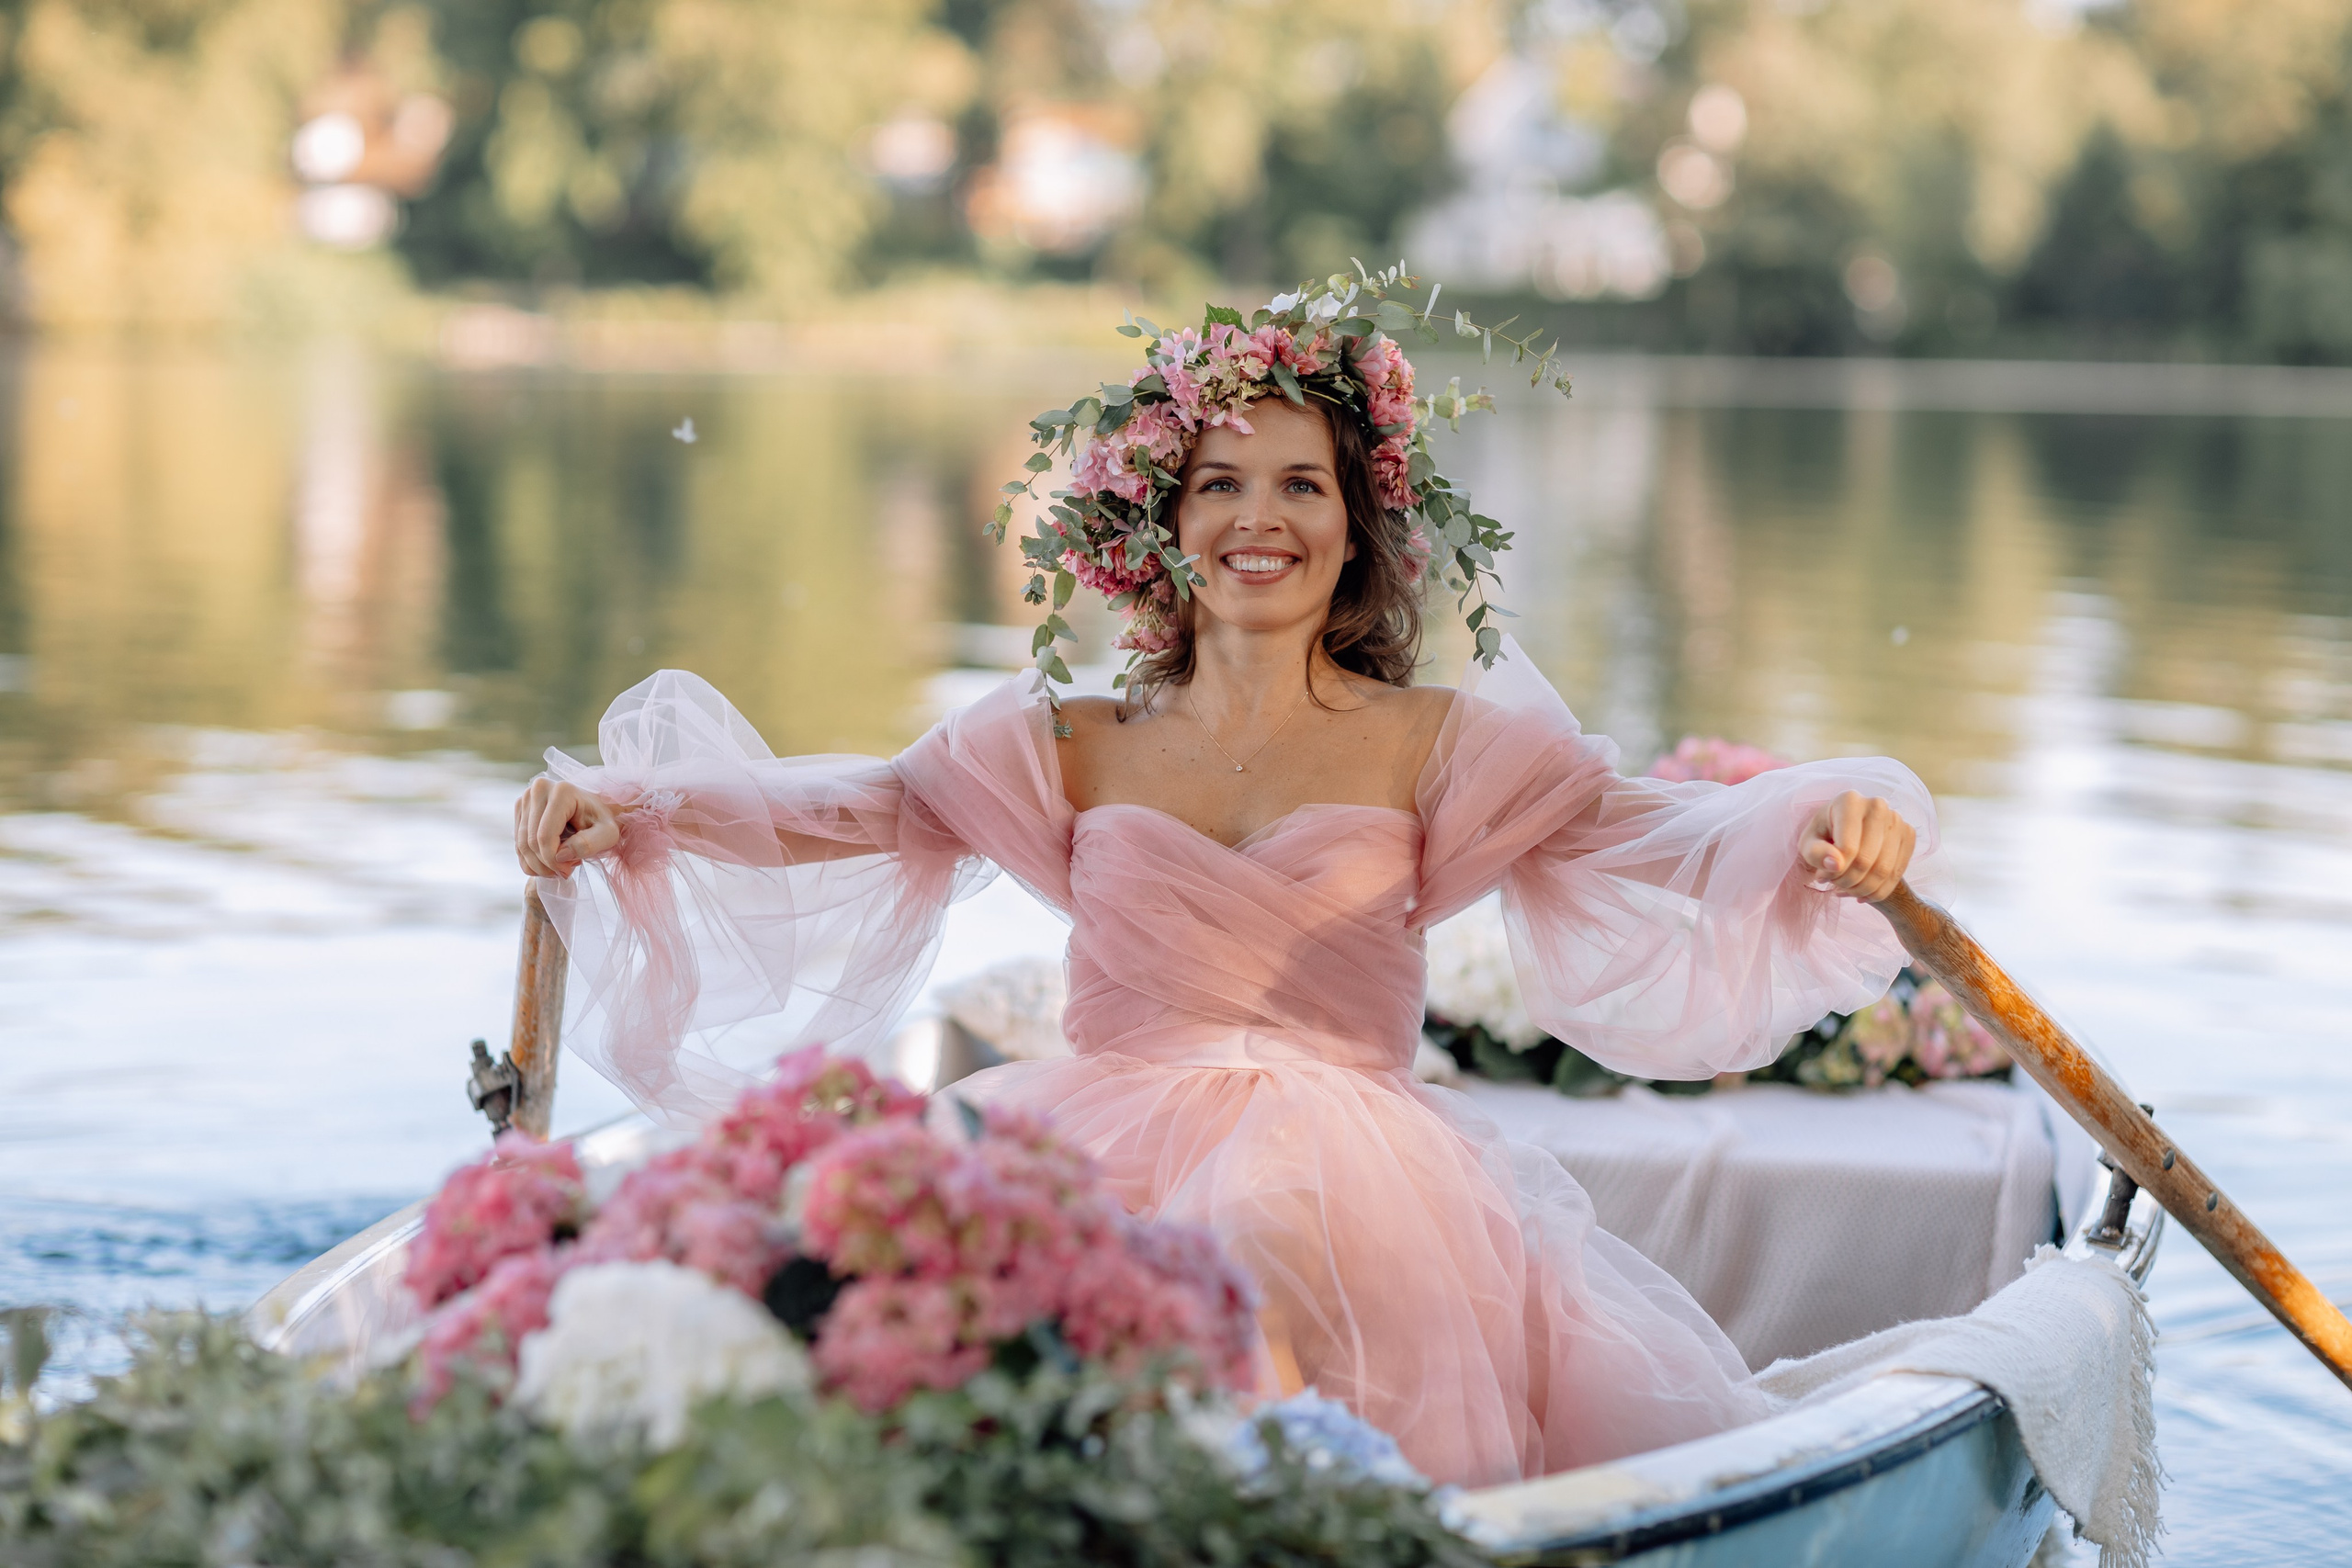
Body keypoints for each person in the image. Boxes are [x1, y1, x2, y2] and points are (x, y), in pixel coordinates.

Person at [511, 280, 1933, 1489]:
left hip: (1356, 1165)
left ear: (1357, 524)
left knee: (1254, 1246)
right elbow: (866, 806)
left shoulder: (1441, 742)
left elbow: (1655, 829)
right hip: (1096, 1120)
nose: (1263, 520)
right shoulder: (1070, 739)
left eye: (1302, 483)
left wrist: (1824, 820)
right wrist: (633, 810)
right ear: (1162, 526)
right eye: (1221, 484)